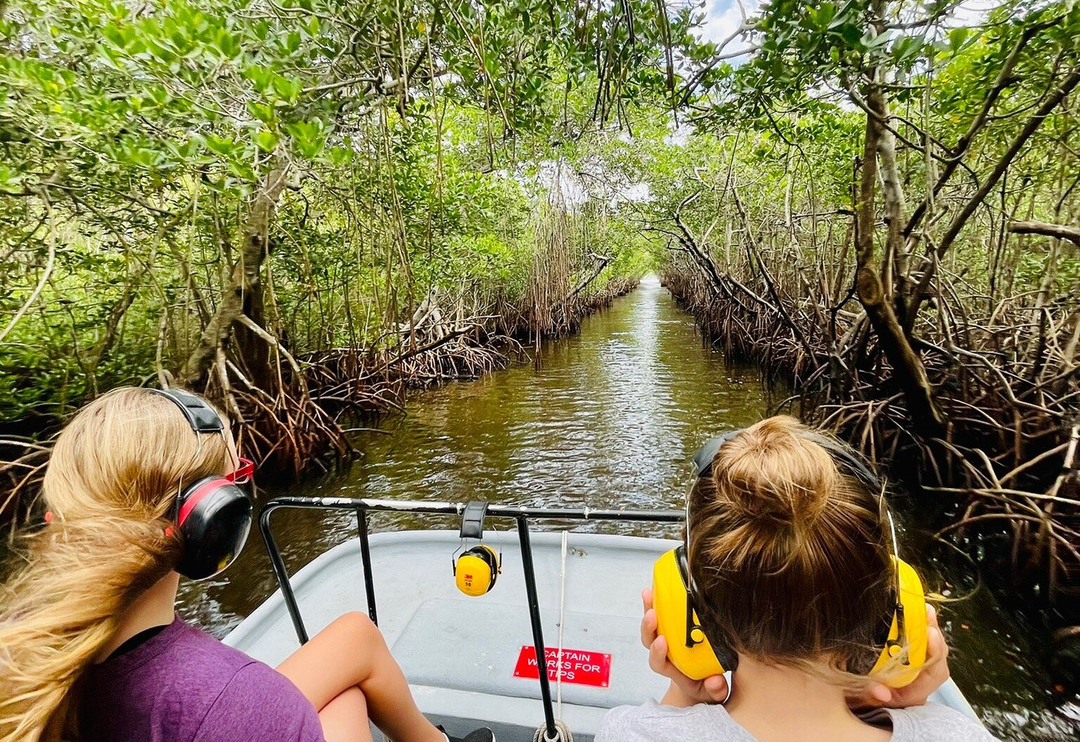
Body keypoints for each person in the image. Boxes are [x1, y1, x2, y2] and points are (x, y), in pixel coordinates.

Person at [0, 387, 494, 742]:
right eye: (237, 478)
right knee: (344, 699)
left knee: (353, 640)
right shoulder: (240, 701)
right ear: (212, 519)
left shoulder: (18, 646)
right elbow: (232, 708)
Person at [597, 416, 999, 742]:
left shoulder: (633, 734)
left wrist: (686, 691)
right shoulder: (958, 734)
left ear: (686, 604)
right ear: (893, 605)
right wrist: (905, 703)